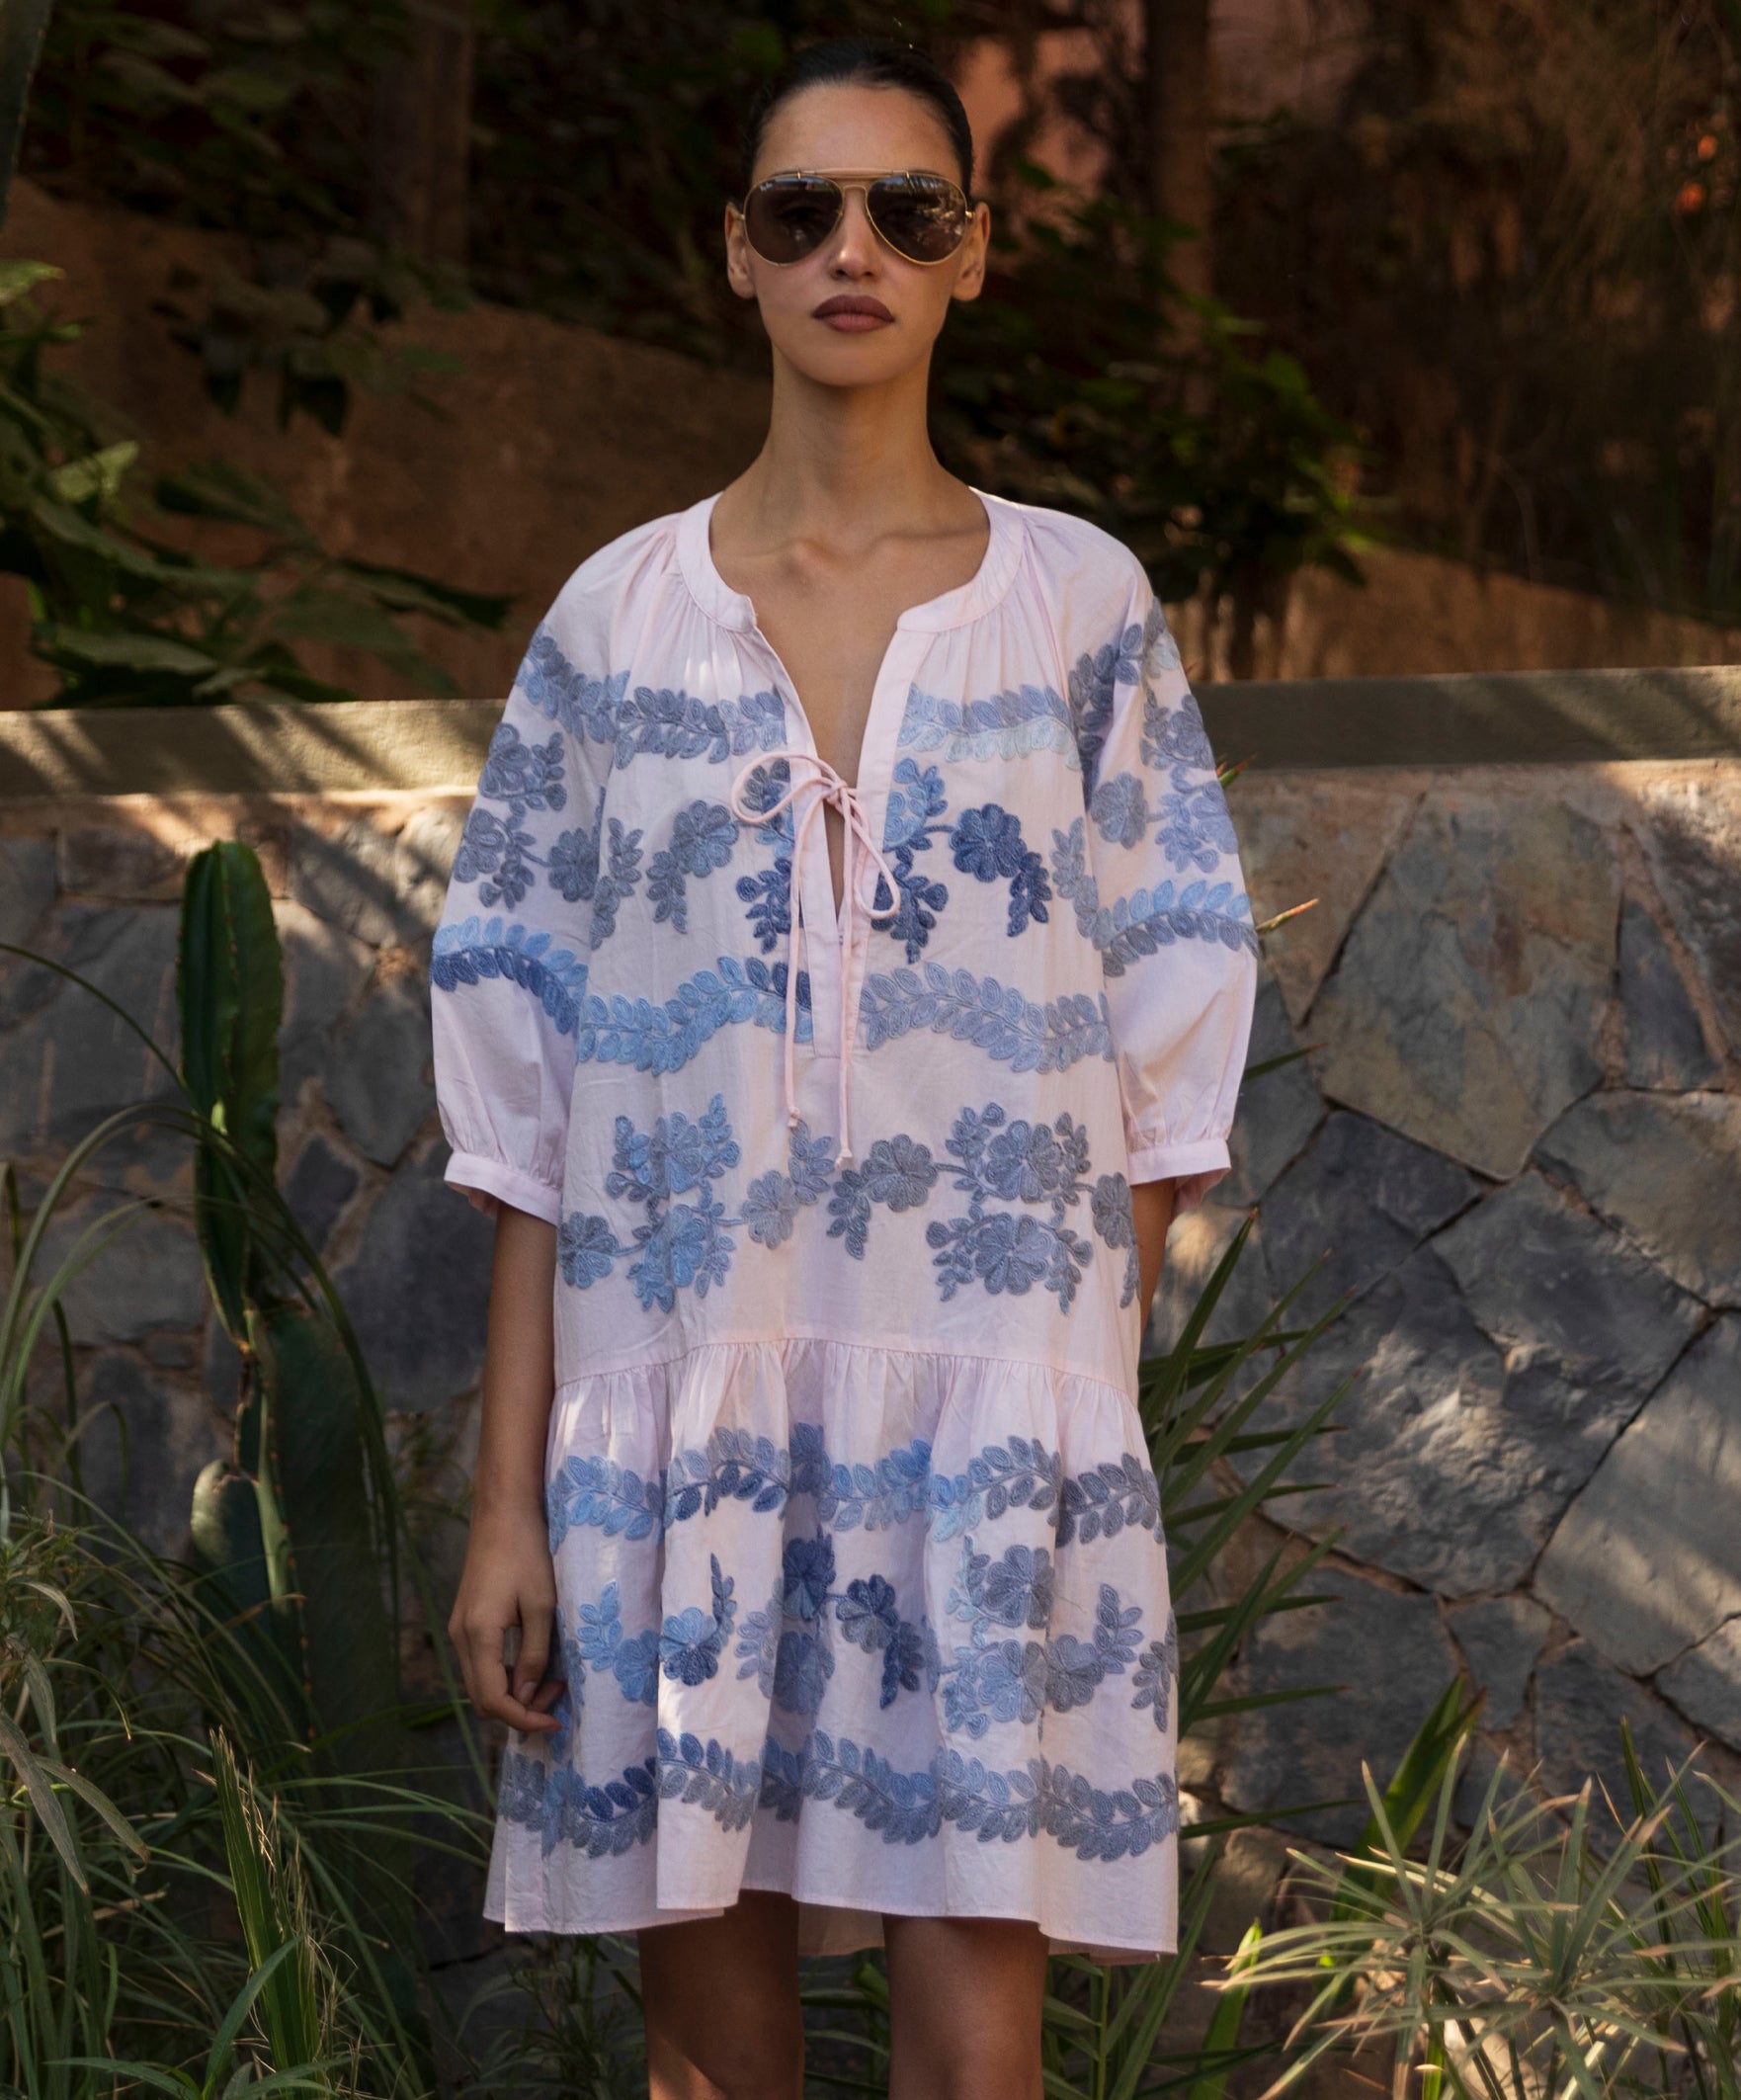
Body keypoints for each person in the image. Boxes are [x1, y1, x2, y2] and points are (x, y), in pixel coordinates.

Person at [432, 34, 1257, 2100]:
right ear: (736, 253)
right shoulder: (612, 627)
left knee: (978, 2049)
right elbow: (529, 1111)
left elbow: (1169, 1034)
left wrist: (1055, 1366)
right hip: (673, 1397)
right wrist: (505, 1508)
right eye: (801, 211)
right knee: (707, 2050)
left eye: (907, 208)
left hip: (975, 1428)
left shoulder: (1080, 606)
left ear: (971, 254)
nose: (852, 249)